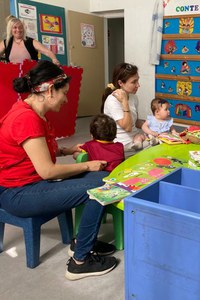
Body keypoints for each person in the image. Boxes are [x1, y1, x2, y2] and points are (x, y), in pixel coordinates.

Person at [0, 60, 117, 280]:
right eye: (64, 93)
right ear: (49, 90)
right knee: (101, 186)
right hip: (18, 193)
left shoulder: (32, 112)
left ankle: (82, 241)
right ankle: (80, 261)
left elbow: (35, 150)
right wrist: (86, 165)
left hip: (29, 184)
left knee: (104, 177)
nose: (66, 99)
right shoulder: (26, 118)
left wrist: (67, 150)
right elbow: (47, 171)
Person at [101, 62, 147, 154]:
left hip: (135, 140)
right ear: (120, 83)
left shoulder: (133, 97)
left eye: (138, 81)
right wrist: (125, 102)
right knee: (156, 148)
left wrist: (152, 124)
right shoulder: (112, 100)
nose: (138, 85)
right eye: (134, 82)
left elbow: (135, 121)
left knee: (160, 140)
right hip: (122, 145)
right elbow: (128, 127)